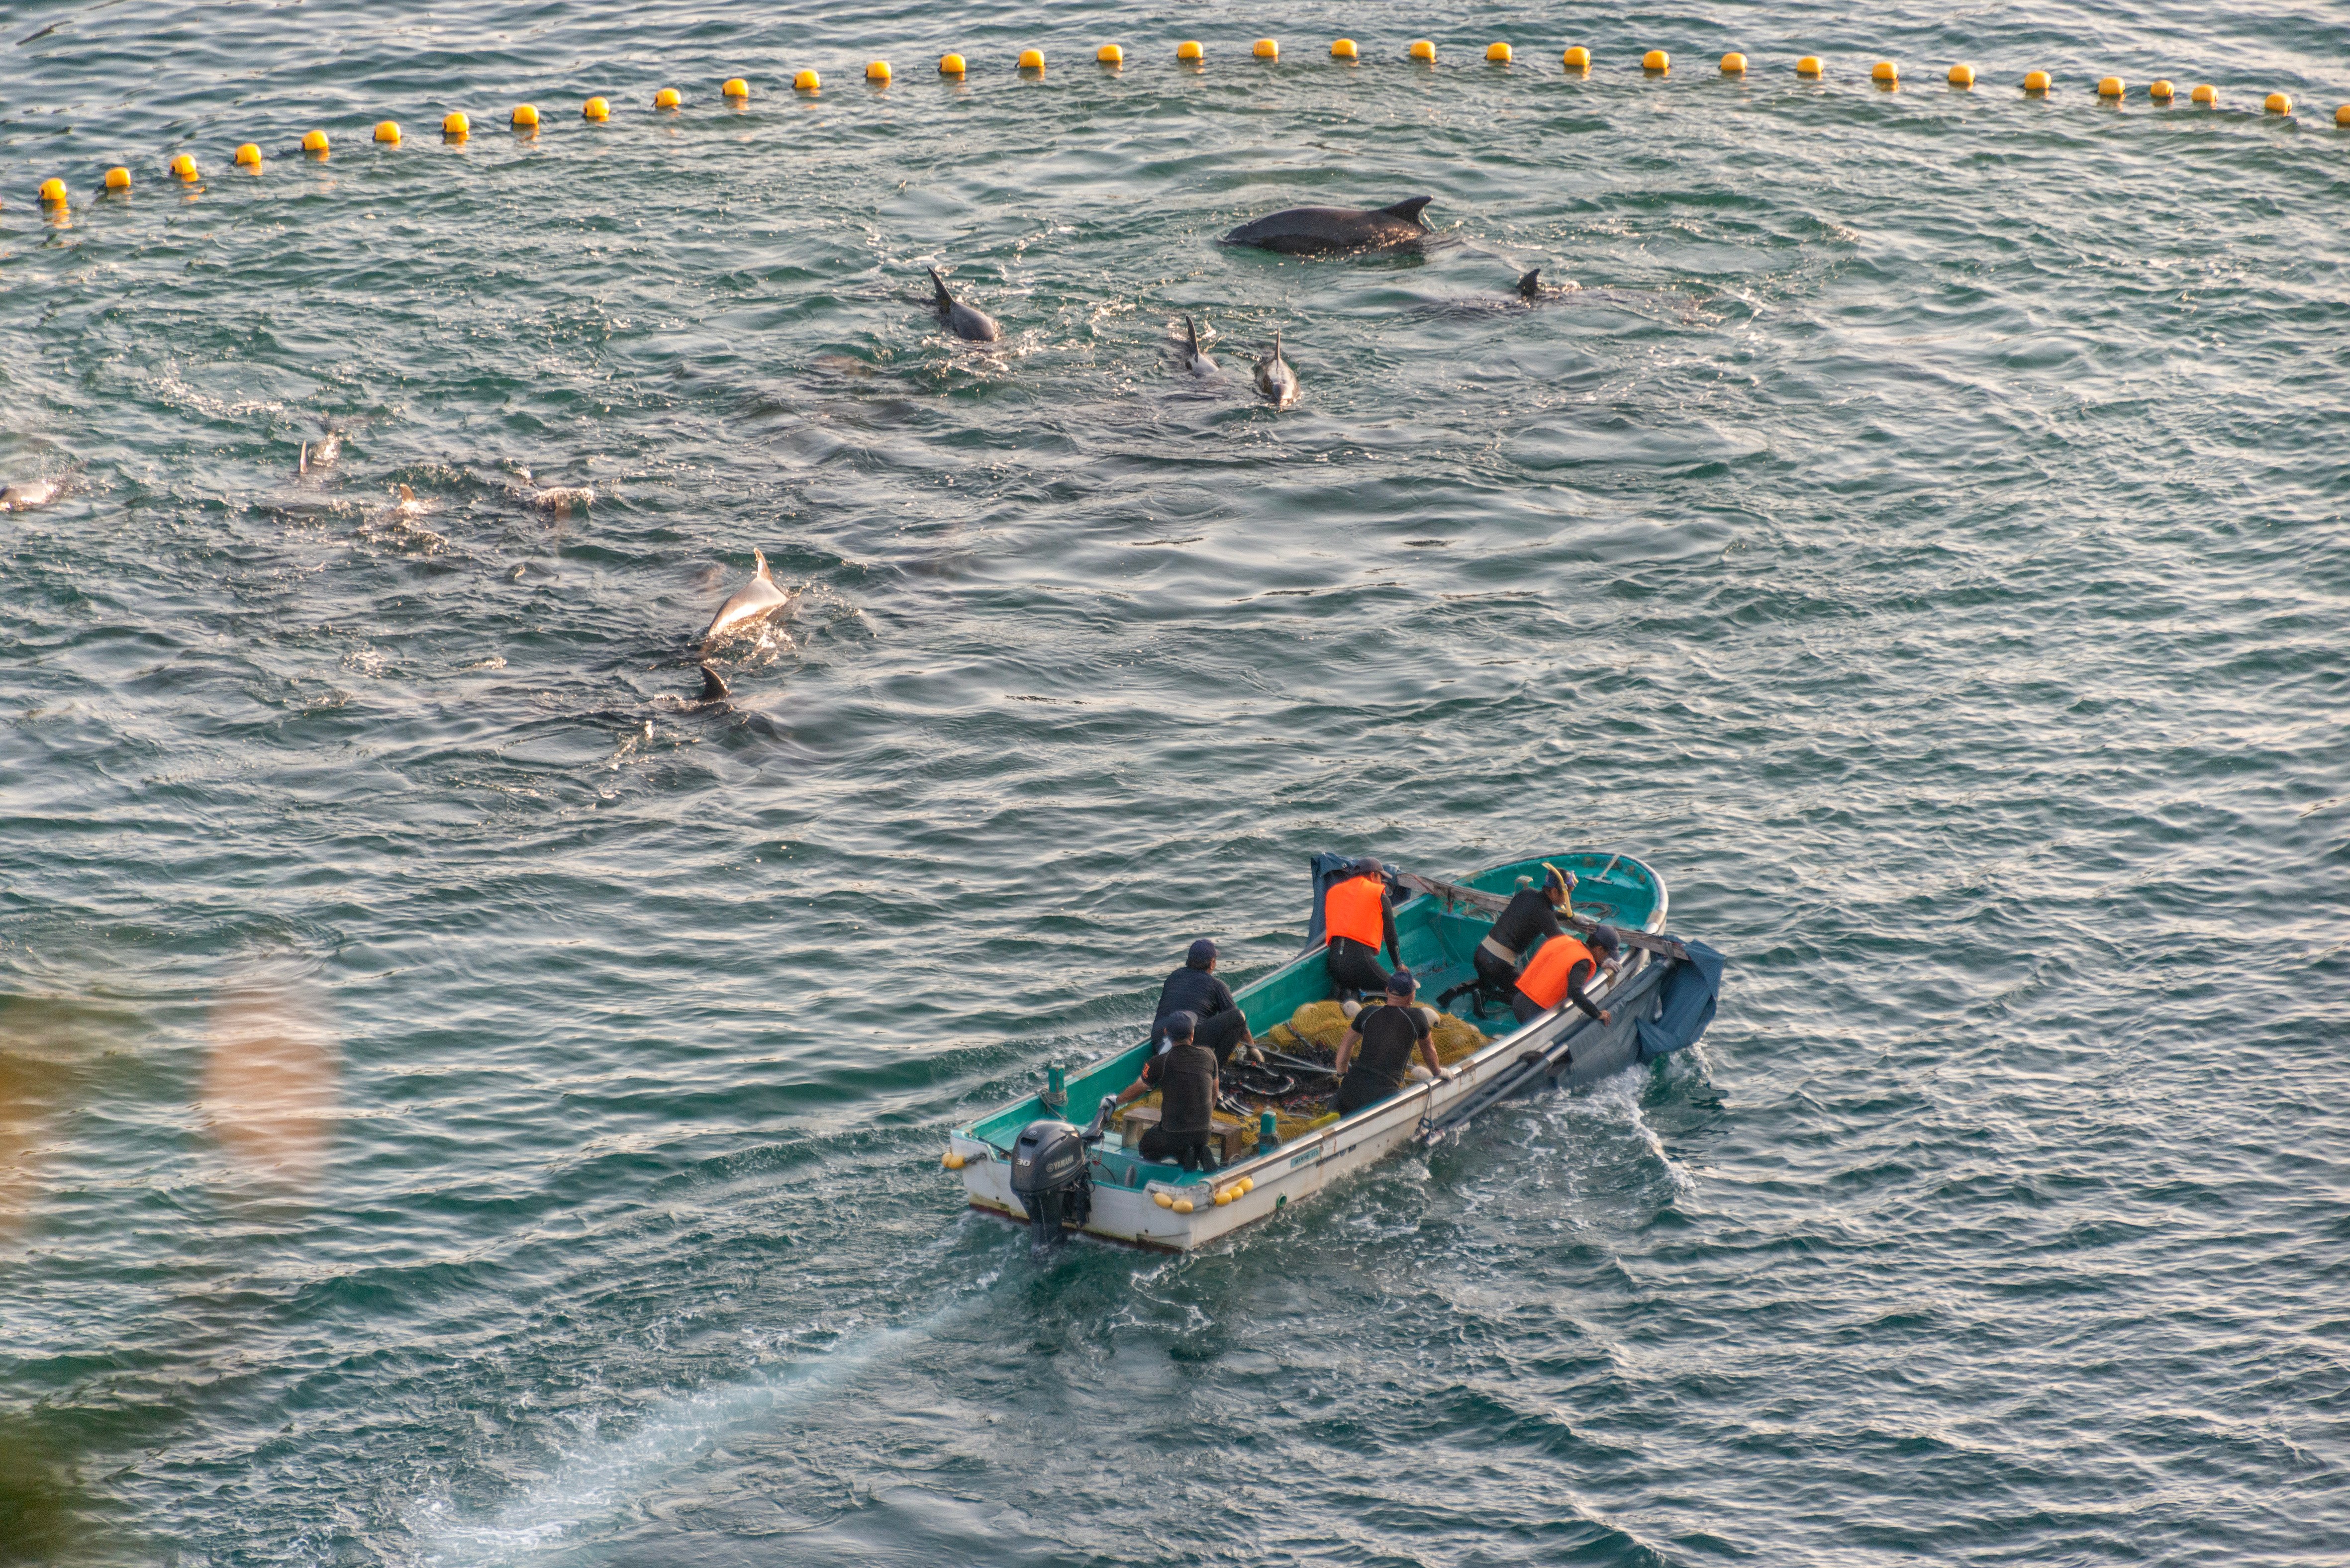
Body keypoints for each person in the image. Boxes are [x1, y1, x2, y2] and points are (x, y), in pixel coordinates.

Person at [1441, 863, 1575, 1016]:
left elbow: (1539, 915)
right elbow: (1561, 942)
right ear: (1554, 891)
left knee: (1488, 983)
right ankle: (1486, 997)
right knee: (1526, 996)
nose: (1569, 898)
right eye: (1568, 894)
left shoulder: (1527, 894)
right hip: (1499, 964)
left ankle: (1454, 991)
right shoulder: (1544, 914)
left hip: (1481, 954)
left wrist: (1568, 916)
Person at [1110, 1010, 1221, 1170]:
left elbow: (1138, 1089)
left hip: (1173, 1135)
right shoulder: (1209, 1056)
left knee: (1146, 1146)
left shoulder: (1159, 1062)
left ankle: (1182, 1157)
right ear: (1192, 1034)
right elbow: (1214, 1093)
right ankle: (1195, 1152)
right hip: (1204, 1133)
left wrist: (1117, 1101)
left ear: (1166, 1034)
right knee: (1187, 1141)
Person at [1332, 971, 1454, 1114]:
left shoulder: (1368, 1012)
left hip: (1349, 1089)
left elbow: (1346, 1044)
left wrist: (1341, 1074)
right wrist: (1438, 1072)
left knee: (1338, 1113)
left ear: (1387, 991)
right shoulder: (1417, 1017)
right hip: (1384, 1094)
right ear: (1411, 996)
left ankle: (1335, 1112)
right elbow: (1429, 1049)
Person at [1150, 938, 1257, 1066]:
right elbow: (1239, 1023)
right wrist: (1253, 1048)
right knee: (1238, 1017)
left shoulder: (1173, 977)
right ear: (1212, 963)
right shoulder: (1217, 986)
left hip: (1159, 1042)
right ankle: (1213, 1071)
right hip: (1186, 1044)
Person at [1323, 856, 1402, 1000]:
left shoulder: (1335, 891)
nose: (1382, 883)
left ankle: (1350, 996)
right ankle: (1362, 998)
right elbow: (1391, 936)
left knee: (1348, 986)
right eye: (1381, 878)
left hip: (1334, 964)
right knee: (1400, 992)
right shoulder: (1379, 896)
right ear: (1373, 876)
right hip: (1360, 963)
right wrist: (1399, 965)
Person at [1512, 924, 1621, 1027]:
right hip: (1534, 1013)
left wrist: (1600, 963)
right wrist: (1597, 1013)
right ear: (1600, 949)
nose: (1606, 958)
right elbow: (1574, 992)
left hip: (1519, 1000)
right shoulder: (1583, 963)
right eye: (1607, 955)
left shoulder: (1565, 941)